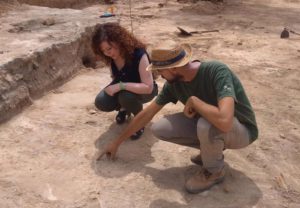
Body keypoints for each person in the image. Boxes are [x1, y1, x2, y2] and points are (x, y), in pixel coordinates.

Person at [97, 43, 258, 193]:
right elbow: (147, 114)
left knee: (206, 124)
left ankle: (214, 171)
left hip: (242, 130)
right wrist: (116, 142)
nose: (159, 75)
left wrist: (194, 101)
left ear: (173, 69)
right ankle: (210, 151)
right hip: (215, 125)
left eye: (160, 71)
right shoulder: (173, 85)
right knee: (160, 128)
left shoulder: (216, 71)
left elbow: (225, 121)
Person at [92, 23, 158, 140]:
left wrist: (120, 86)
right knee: (101, 101)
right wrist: (116, 86)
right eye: (103, 51)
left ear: (119, 41)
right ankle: (124, 108)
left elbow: (148, 87)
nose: (107, 53)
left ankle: (139, 121)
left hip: (143, 91)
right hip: (124, 87)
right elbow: (116, 76)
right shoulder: (112, 56)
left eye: (109, 48)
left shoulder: (139, 54)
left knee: (125, 96)